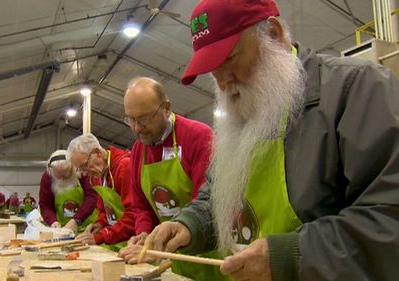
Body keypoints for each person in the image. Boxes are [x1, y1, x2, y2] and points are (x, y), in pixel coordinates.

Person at [141, 0, 399, 281]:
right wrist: (190, 224)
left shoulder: (356, 90)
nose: (224, 81)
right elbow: (217, 193)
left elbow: (389, 217)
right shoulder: (242, 115)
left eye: (230, 59)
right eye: (212, 70)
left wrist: (291, 255)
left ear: (274, 35)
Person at [118, 77, 214, 269]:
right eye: (131, 119)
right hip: (167, 255)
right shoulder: (138, 150)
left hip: (205, 254)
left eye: (144, 119)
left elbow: (207, 204)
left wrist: (169, 242)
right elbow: (141, 207)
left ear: (166, 108)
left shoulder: (198, 136)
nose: (137, 128)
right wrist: (144, 233)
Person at [67, 133, 135, 249]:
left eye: (84, 166)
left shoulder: (124, 167)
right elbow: (104, 210)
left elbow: (133, 215)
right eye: (80, 169)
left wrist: (101, 237)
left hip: (133, 243)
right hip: (115, 242)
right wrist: (99, 224)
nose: (83, 173)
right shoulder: (97, 176)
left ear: (97, 153)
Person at [39, 149, 98, 232]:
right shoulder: (47, 177)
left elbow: (92, 197)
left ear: (73, 167)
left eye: (66, 175)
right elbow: (45, 205)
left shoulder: (82, 172)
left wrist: (76, 220)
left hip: (88, 228)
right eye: (59, 176)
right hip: (63, 230)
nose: (62, 179)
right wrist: (52, 221)